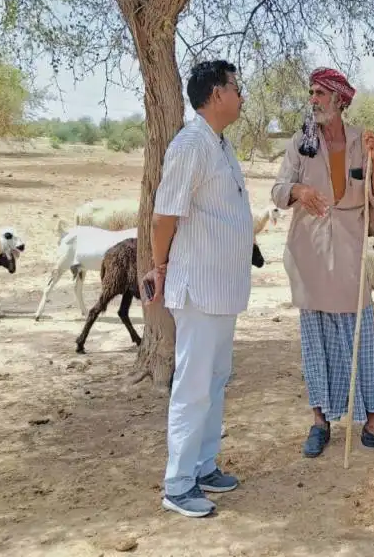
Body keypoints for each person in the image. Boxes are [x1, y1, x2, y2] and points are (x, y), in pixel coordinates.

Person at [271, 67, 374, 459]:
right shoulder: (300, 142)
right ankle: (320, 423)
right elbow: (278, 191)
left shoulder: (360, 140)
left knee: (361, 339)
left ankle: (373, 424)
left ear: (340, 100)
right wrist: (298, 189)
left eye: (320, 94)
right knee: (315, 342)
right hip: (309, 254)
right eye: (311, 93)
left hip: (350, 255)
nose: (313, 100)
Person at [143, 60, 255, 518]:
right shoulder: (191, 143)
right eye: (235, 87)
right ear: (215, 95)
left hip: (223, 289)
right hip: (199, 288)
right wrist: (160, 266)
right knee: (192, 386)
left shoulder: (220, 144)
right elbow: (164, 215)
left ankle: (204, 465)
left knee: (215, 380)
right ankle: (178, 483)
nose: (241, 95)